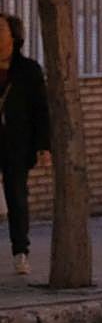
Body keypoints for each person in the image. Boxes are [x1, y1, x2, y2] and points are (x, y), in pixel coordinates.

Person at [0, 15, 49, 275]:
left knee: (17, 197)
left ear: (14, 36)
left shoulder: (28, 70)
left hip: (16, 144)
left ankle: (20, 251)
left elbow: (41, 111)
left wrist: (44, 146)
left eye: (1, 29)